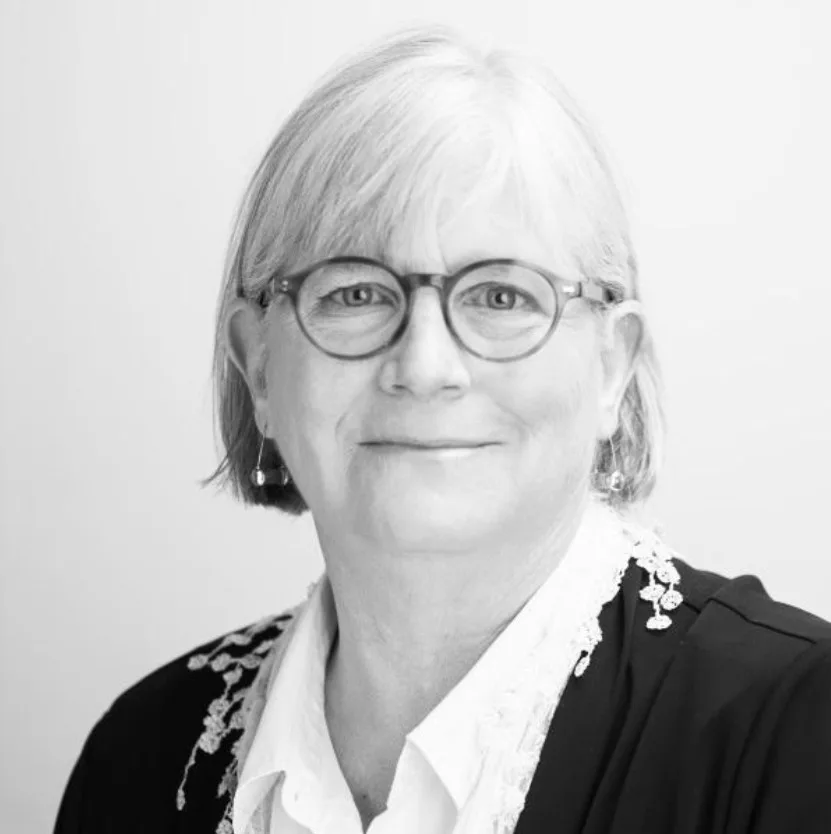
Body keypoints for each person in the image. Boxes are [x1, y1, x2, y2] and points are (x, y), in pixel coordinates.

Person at [54, 23, 831, 834]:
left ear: (611, 368)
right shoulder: (140, 750)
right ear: (259, 371)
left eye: (501, 296)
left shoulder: (795, 732)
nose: (425, 366)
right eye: (353, 292)